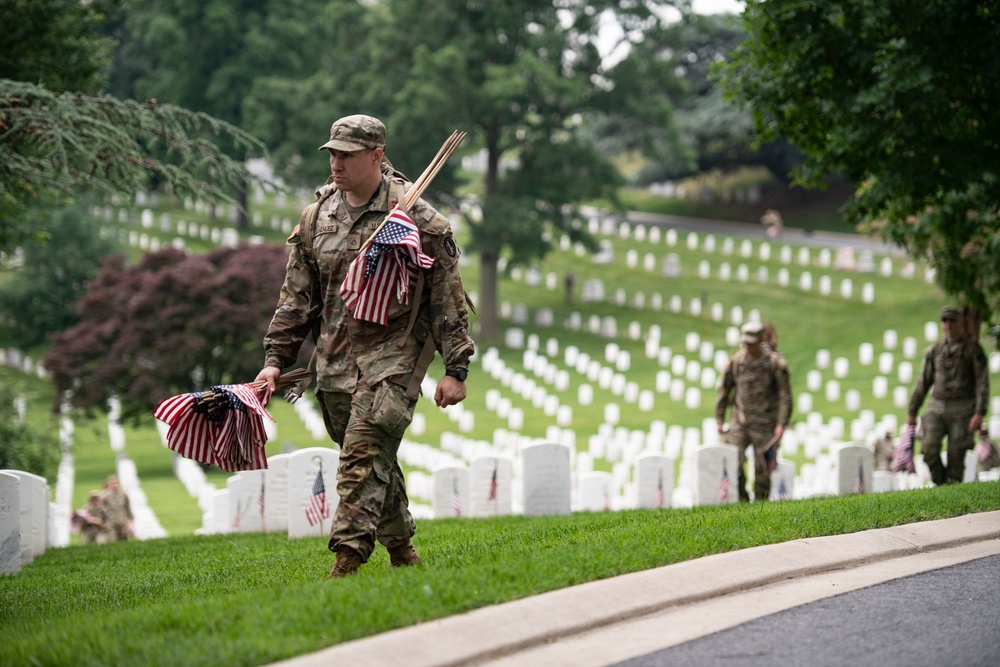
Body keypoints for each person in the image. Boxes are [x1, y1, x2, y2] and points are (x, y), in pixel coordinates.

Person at [255, 114, 475, 579]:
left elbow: (447, 297)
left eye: (347, 155)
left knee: (361, 454)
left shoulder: (416, 216)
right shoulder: (317, 217)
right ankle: (402, 549)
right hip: (333, 362)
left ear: (376, 155)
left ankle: (347, 560)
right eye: (332, 153)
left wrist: (456, 369)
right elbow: (297, 298)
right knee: (371, 457)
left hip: (393, 357)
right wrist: (275, 361)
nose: (336, 163)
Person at [907, 306, 990, 485]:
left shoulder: (972, 350)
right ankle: (940, 484)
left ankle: (951, 486)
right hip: (937, 407)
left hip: (963, 408)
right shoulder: (936, 350)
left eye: (953, 321)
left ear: (961, 323)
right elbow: (923, 382)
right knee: (928, 448)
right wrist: (912, 411)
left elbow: (982, 383)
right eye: (945, 321)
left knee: (956, 455)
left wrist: (979, 412)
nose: (949, 325)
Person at [715, 321, 792, 502]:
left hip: (765, 424)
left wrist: (781, 423)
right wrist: (719, 418)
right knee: (733, 462)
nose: (747, 347)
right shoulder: (736, 362)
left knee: (763, 471)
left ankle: (759, 507)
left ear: (760, 342)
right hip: (740, 421)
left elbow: (785, 396)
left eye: (751, 343)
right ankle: (742, 500)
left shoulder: (775, 363)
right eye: (745, 343)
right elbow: (724, 390)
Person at [100, 474, 133, 541]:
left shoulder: (123, 495)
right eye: (112, 483)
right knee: (113, 541)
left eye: (115, 483)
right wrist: (103, 522)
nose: (114, 485)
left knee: (124, 540)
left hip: (122, 521)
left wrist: (130, 518)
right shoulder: (104, 496)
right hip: (111, 522)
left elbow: (127, 507)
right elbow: (101, 509)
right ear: (109, 484)